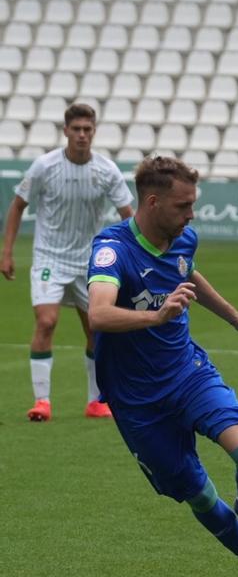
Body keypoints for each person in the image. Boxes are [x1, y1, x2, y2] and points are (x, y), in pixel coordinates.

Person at [86, 155, 238, 577]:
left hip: (186, 372)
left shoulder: (183, 239)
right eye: (183, 206)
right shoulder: (112, 250)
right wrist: (157, 316)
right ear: (152, 202)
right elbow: (99, 313)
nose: (192, 215)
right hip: (137, 401)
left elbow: (189, 275)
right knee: (200, 495)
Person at [1, 103, 134, 422]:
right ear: (66, 131)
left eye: (88, 129)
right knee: (46, 321)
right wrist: (6, 252)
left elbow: (129, 218)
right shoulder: (44, 166)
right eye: (77, 129)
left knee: (96, 331)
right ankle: (42, 401)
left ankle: (95, 401)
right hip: (50, 257)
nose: (82, 135)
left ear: (94, 132)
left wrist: (132, 261)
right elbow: (18, 206)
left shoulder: (107, 170)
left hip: (90, 262)